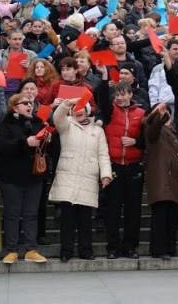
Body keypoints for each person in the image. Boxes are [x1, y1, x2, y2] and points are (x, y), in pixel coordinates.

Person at [49, 96, 113, 262]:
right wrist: (65, 105)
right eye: (75, 108)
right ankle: (66, 250)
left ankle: (86, 250)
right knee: (67, 219)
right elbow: (57, 117)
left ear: (87, 111)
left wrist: (106, 174)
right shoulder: (67, 125)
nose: (78, 111)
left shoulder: (97, 130)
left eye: (82, 108)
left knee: (85, 219)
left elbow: (103, 154)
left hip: (88, 177)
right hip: (67, 176)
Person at [0, 93, 48, 263]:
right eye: (25, 103)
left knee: (31, 214)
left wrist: (48, 140)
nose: (29, 106)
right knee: (12, 214)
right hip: (11, 177)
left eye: (31, 103)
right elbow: (2, 146)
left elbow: (47, 149)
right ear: (15, 107)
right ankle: (12, 250)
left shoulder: (38, 122)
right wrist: (25, 143)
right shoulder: (5, 124)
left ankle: (31, 249)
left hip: (34, 176)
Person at [97, 75, 146, 260]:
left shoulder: (141, 113)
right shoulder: (110, 111)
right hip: (114, 164)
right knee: (113, 209)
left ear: (131, 94)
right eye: (117, 94)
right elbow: (102, 98)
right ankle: (113, 247)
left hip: (134, 165)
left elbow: (148, 138)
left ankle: (130, 247)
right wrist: (103, 78)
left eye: (123, 94)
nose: (120, 98)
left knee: (133, 210)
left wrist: (135, 141)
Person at [144, 103, 178, 259]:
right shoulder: (152, 128)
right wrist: (158, 116)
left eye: (167, 114)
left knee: (173, 217)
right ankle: (158, 249)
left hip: (174, 179)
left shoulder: (173, 131)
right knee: (161, 217)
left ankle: (170, 247)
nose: (166, 116)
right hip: (161, 179)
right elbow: (153, 129)